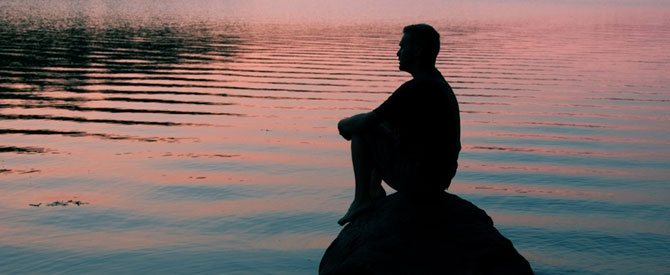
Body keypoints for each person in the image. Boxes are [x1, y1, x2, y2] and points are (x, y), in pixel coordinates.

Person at [337, 24, 461, 226]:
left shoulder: (417, 88)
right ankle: (374, 189)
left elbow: (365, 122)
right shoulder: (436, 83)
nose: (397, 53)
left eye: (402, 47)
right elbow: (383, 120)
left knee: (363, 131)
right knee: (383, 126)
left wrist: (342, 124)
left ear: (418, 51)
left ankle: (361, 199)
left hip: (421, 180)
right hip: (438, 178)